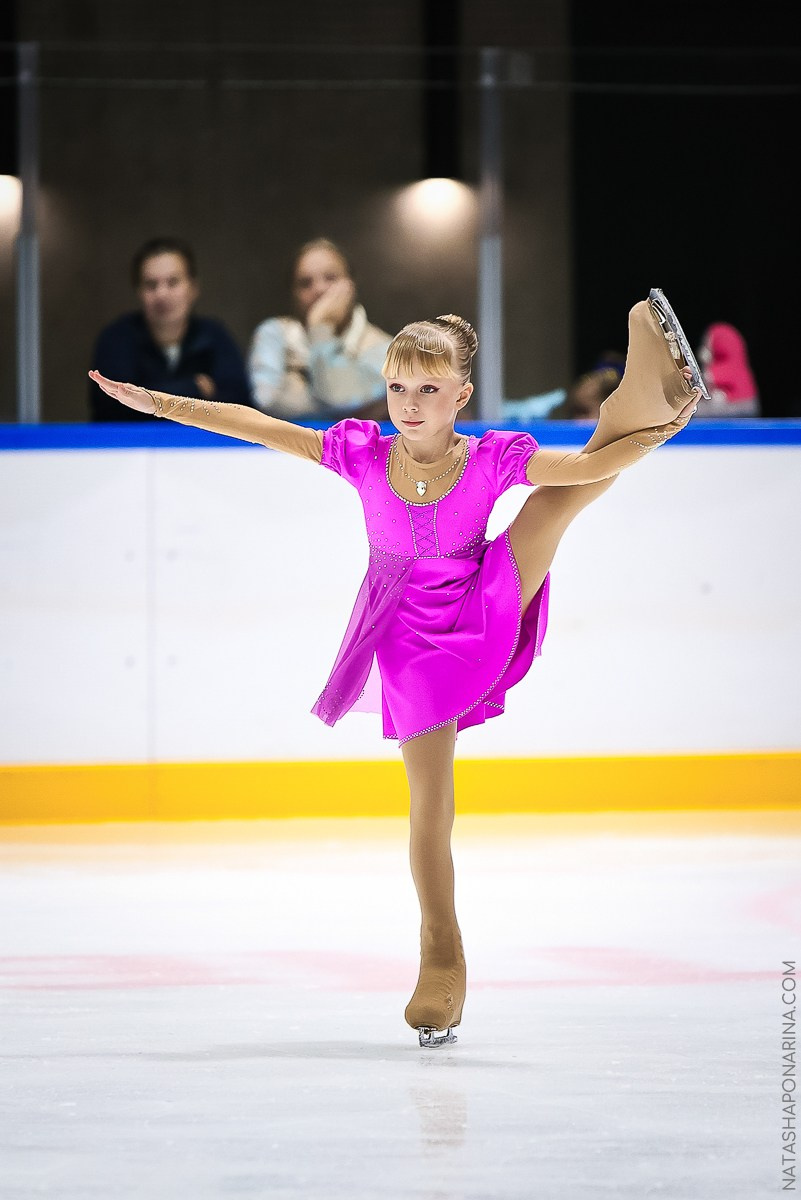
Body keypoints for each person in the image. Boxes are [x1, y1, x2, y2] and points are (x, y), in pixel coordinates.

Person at [89, 289, 701, 1046]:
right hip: (407, 642)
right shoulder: (361, 454)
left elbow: (579, 466)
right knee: (429, 805)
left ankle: (645, 396)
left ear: (460, 396)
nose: (408, 406)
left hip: (481, 601)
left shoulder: (488, 459)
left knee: (557, 501)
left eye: (428, 390)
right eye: (397, 388)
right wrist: (158, 403)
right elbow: (257, 424)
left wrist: (655, 437)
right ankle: (441, 954)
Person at [88, 237, 252, 421]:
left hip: (203, 447)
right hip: (131, 447)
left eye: (172, 282)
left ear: (193, 288)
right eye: (151, 285)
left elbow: (241, 406)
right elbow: (109, 409)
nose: (162, 294)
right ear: (139, 291)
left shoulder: (215, 336)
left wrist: (147, 395)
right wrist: (194, 388)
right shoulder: (115, 339)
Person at [248, 237, 392, 422]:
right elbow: (269, 402)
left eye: (331, 277)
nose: (319, 288)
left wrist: (320, 328)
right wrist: (352, 407)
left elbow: (339, 394)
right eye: (305, 283)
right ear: (293, 294)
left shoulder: (386, 348)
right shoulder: (273, 333)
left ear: (351, 284)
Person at [696, 321, 760, 416]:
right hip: (745, 406)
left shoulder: (727, 367)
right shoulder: (738, 364)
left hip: (739, 407)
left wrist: (705, 361)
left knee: (693, 410)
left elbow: (703, 381)